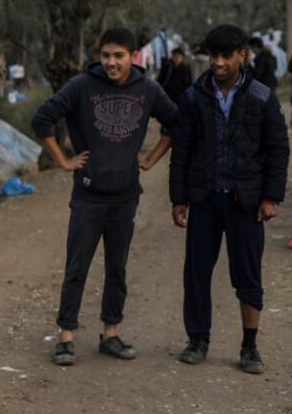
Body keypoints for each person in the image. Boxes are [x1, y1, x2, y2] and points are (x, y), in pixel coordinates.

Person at [31, 28, 178, 366]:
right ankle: (66, 337)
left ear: (132, 57)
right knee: (76, 266)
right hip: (88, 195)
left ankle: (110, 333)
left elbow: (175, 123)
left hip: (125, 196)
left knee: (117, 267)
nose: (111, 63)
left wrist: (151, 159)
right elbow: (42, 119)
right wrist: (64, 160)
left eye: (119, 56)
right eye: (106, 56)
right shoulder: (82, 86)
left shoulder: (148, 89)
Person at [170, 24, 288, 374]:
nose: (218, 62)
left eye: (225, 55)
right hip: (205, 199)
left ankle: (249, 346)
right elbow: (183, 150)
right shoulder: (194, 97)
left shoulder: (262, 97)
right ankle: (197, 339)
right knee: (196, 272)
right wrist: (179, 198)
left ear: (242, 56)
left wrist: (270, 197)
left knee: (248, 275)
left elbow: (278, 149)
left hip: (246, 201)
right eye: (213, 56)